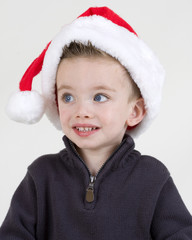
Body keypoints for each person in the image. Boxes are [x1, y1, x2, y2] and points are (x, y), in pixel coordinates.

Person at [1, 6, 192, 240]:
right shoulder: (40, 177)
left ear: (135, 111)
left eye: (99, 97)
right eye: (68, 97)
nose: (82, 111)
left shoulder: (152, 178)